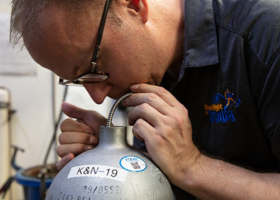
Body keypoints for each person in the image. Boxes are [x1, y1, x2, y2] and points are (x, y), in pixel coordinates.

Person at [10, 0, 280, 199]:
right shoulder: (135, 75)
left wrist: (193, 166)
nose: (97, 95)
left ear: (134, 5)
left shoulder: (266, 38)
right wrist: (116, 155)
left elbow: (184, 168)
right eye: (79, 81)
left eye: (93, 69)